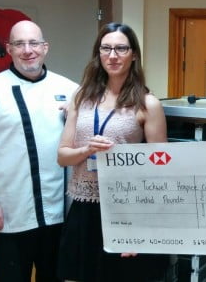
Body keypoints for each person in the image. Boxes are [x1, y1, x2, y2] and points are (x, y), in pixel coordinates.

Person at [0, 20, 78, 281]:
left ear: (45, 47)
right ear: (9, 49)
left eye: (33, 43)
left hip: (59, 216)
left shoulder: (70, 90)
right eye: (19, 44)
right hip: (9, 215)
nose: (27, 50)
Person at [56, 22, 169, 281]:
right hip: (83, 208)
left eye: (121, 48)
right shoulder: (81, 97)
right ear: (98, 54)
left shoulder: (147, 104)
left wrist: (141, 230)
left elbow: (161, 171)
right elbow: (62, 156)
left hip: (127, 209)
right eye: (106, 48)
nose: (113, 55)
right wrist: (87, 149)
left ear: (134, 54)